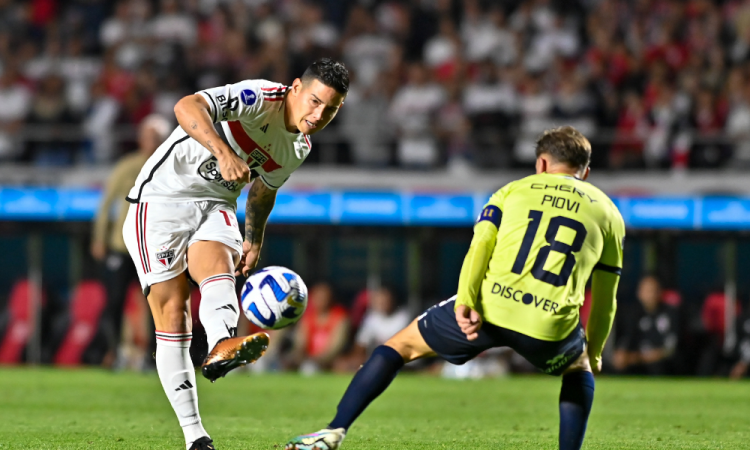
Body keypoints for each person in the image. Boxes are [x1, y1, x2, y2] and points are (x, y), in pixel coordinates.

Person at [285, 126, 625, 450]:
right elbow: (606, 299)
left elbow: (479, 249)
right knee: (578, 370)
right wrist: (594, 352)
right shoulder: (609, 213)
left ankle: (334, 431)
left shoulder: (513, 190)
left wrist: (466, 300)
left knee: (399, 346)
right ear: (586, 172)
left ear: (541, 164)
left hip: (488, 308)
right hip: (548, 325)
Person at [121, 58, 348, 450]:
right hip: (162, 199)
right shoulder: (259, 97)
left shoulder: (298, 146)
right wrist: (223, 152)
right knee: (174, 312)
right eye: (314, 101)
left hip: (216, 202)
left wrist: (254, 236)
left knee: (219, 270)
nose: (318, 114)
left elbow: (264, 189)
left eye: (330, 109)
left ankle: (223, 343)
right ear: (296, 88)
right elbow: (186, 107)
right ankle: (196, 436)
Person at [91, 114, 171, 367]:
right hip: (122, 246)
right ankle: (112, 351)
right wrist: (99, 237)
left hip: (152, 249)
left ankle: (153, 355)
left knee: (155, 304)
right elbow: (106, 204)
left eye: (155, 137)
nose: (150, 141)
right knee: (114, 301)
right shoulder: (127, 166)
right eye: (147, 136)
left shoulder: (171, 167)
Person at [612, 275, 679, 375]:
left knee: (659, 366)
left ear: (660, 292)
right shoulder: (632, 315)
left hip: (662, 365)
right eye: (646, 290)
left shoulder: (671, 314)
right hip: (636, 364)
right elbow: (625, 342)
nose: (650, 294)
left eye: (653, 290)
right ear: (639, 293)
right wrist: (621, 355)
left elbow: (670, 349)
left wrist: (638, 358)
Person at [289, 282, 350, 373]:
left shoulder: (340, 317)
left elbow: (336, 346)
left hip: (330, 360)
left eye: (324, 297)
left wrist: (319, 360)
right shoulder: (307, 317)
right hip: (308, 359)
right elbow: (300, 343)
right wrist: (300, 356)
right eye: (317, 297)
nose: (320, 300)